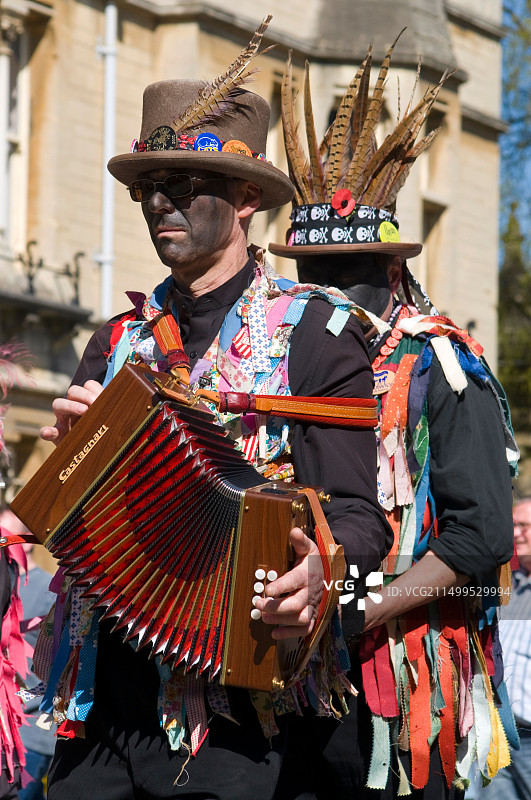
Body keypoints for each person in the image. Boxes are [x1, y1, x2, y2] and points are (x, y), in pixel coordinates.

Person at [29, 19, 391, 800]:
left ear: (247, 199)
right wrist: (66, 458)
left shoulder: (316, 335)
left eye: (185, 186)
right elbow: (61, 523)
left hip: (241, 711)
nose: (159, 203)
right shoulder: (115, 340)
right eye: (145, 188)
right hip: (102, 698)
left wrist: (319, 572)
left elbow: (362, 517)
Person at [269, 42, 517, 799]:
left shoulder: (441, 367)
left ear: (388, 271)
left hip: (399, 685)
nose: (330, 293)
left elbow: (479, 535)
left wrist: (359, 611)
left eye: (348, 276)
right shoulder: (283, 362)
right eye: (314, 277)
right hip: (286, 682)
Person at [478, 498, 531, 800]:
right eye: (512, 526)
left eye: (523, 525)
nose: (515, 533)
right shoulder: (511, 584)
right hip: (498, 734)